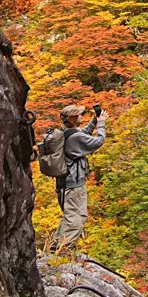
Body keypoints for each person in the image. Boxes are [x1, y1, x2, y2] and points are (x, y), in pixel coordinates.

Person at [49, 103, 106, 252]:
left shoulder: (65, 132)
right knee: (76, 219)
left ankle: (55, 248)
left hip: (63, 184)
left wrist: (94, 121)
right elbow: (98, 141)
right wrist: (101, 124)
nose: (82, 116)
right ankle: (63, 252)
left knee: (68, 217)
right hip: (73, 186)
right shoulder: (75, 137)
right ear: (73, 118)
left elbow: (82, 134)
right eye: (80, 115)